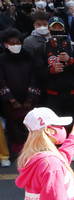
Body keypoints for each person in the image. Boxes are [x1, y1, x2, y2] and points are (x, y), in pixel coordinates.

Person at [0, 28, 39, 156]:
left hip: (28, 97)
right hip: (11, 99)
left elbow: (35, 76)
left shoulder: (28, 56)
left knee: (31, 123)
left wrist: (30, 97)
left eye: (18, 42)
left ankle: (33, 147)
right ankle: (18, 150)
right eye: (12, 43)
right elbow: (1, 79)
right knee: (13, 125)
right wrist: (11, 99)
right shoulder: (2, 59)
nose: (15, 45)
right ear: (6, 44)